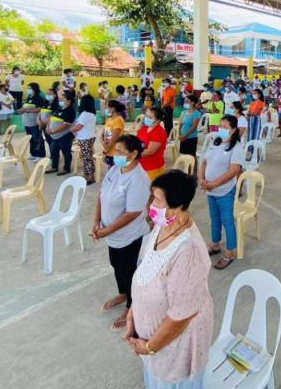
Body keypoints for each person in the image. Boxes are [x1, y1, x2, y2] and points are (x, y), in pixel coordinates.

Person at [125, 170, 213, 389]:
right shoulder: (162, 226)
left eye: (156, 200)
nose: (150, 206)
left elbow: (180, 316)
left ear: (176, 207)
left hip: (174, 347)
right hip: (151, 341)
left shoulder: (188, 252)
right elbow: (146, 269)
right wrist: (132, 315)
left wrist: (149, 347)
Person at [93, 134, 151, 329]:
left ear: (133, 154)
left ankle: (132, 306)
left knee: (129, 271)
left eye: (119, 152)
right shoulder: (115, 169)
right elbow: (101, 195)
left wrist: (107, 229)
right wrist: (96, 222)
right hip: (111, 233)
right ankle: (123, 293)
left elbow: (133, 212)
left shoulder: (139, 179)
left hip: (129, 235)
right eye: (114, 151)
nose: (114, 155)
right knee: (116, 264)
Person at [199, 115, 245, 270]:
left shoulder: (236, 147)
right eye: (221, 126)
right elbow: (205, 162)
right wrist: (201, 179)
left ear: (233, 129)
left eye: (226, 127)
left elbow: (233, 171)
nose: (222, 129)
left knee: (227, 220)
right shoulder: (215, 142)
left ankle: (230, 251)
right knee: (214, 218)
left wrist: (214, 184)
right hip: (210, 189)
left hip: (224, 191)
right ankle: (215, 243)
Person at [47, 89, 76, 175]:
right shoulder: (59, 108)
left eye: (63, 99)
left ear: (68, 101)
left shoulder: (70, 111)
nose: (61, 101)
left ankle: (66, 168)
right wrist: (48, 127)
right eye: (61, 99)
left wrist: (53, 131)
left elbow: (65, 125)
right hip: (54, 135)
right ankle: (54, 166)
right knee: (53, 150)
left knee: (66, 151)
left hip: (65, 135)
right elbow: (51, 119)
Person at [70, 94, 98, 185]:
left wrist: (71, 129)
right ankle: (87, 175)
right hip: (89, 137)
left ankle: (90, 177)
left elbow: (78, 127)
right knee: (87, 156)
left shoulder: (85, 114)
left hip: (85, 138)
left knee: (87, 158)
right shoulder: (92, 113)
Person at [138, 106, 168, 181]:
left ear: (158, 120)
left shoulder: (158, 132)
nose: (146, 118)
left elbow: (149, 152)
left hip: (153, 168)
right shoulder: (144, 128)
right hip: (141, 165)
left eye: (150, 117)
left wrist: (133, 153)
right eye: (146, 115)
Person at [20, 83, 46, 161]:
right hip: (27, 122)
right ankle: (33, 153)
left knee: (37, 138)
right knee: (30, 138)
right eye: (28, 88)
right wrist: (21, 110)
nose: (28, 89)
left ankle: (40, 154)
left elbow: (39, 109)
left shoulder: (38, 98)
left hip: (34, 122)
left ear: (35, 89)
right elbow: (25, 107)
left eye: (30, 88)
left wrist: (26, 110)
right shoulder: (29, 97)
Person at [102, 100, 126, 168]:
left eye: (107, 107)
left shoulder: (118, 120)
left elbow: (113, 139)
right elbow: (102, 135)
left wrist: (105, 151)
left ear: (113, 109)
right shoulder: (109, 120)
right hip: (108, 150)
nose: (106, 109)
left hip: (116, 152)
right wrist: (104, 143)